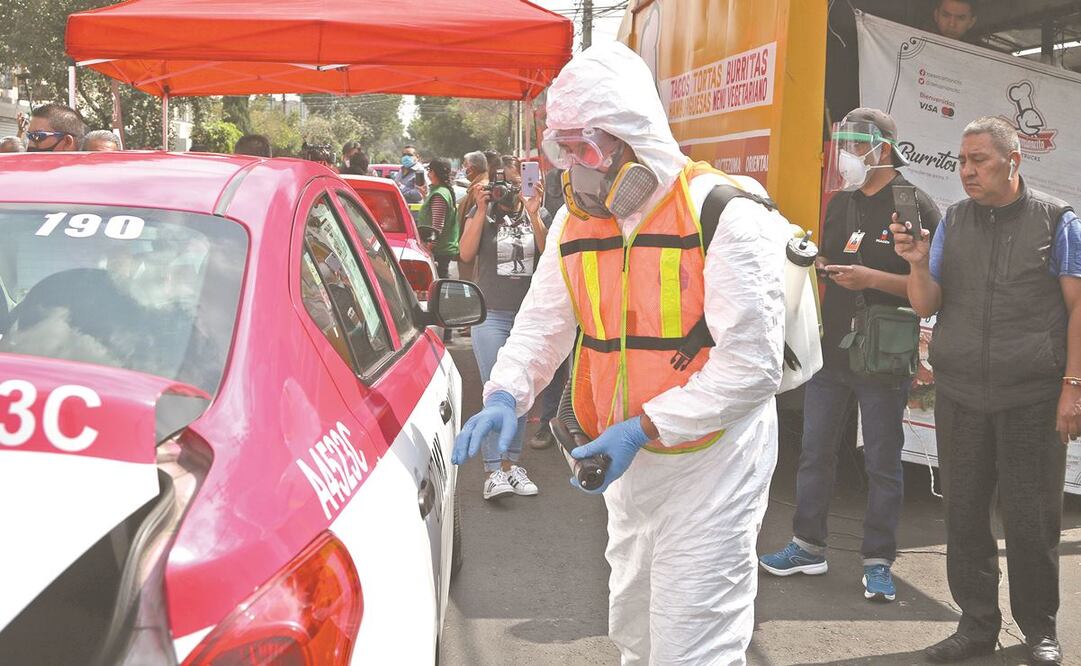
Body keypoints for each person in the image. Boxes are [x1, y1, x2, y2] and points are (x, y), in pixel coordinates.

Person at [451, 42, 788, 664]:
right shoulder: (573, 225)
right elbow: (541, 325)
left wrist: (648, 425)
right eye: (564, 150)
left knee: (695, 637)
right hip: (629, 465)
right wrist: (505, 393)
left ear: (634, 137)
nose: (577, 167)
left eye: (588, 148)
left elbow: (753, 367)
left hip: (713, 460)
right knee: (635, 626)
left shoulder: (724, 215)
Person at [892, 116, 1081, 666]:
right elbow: (926, 303)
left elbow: (1077, 307)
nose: (967, 171)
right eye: (962, 161)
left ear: (1013, 160)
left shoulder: (1057, 221)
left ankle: (1039, 630)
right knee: (965, 516)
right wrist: (916, 264)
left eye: (979, 160)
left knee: (1032, 518)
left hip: (1032, 396)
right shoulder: (953, 220)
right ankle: (976, 624)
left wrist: (1073, 385)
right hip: (962, 394)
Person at [759, 108, 941, 603]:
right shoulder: (840, 203)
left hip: (883, 356)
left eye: (856, 145)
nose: (847, 155)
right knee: (816, 452)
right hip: (831, 351)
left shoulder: (916, 204)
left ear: (883, 148)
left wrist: (872, 281)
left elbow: (935, 291)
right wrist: (817, 264)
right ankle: (806, 546)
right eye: (843, 143)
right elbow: (836, 254)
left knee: (882, 460)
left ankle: (879, 559)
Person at [456, 155, 547, 500]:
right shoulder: (484, 213)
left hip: (527, 318)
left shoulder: (535, 212)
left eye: (515, 183)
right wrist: (480, 210)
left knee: (521, 391)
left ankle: (512, 465)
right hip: (491, 315)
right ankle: (494, 470)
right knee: (498, 390)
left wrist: (535, 212)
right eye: (503, 184)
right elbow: (465, 254)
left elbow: (547, 253)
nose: (509, 191)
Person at [417, 157, 459, 341]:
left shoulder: (440, 194)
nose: (427, 174)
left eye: (429, 171)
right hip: (442, 249)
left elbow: (437, 227)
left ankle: (446, 331)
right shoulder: (440, 192)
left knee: (441, 292)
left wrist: (428, 247)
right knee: (442, 290)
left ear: (434, 172)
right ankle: (446, 331)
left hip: (439, 250)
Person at [456, 150, 489, 284]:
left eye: (465, 166)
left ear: (472, 169)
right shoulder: (475, 188)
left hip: (474, 256)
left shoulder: (481, 189)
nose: (464, 169)